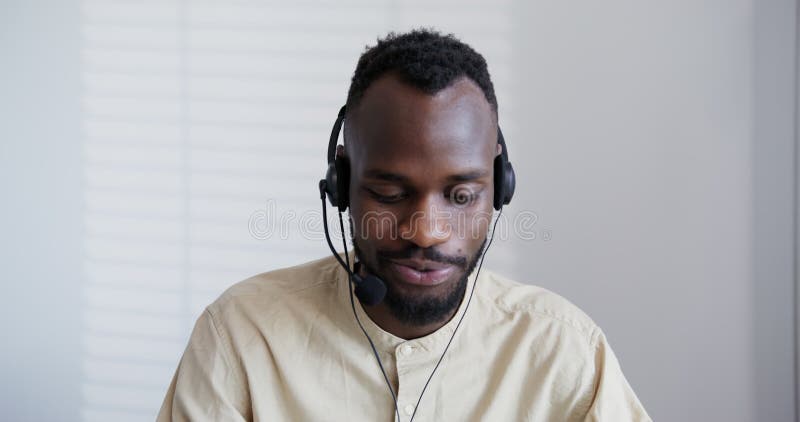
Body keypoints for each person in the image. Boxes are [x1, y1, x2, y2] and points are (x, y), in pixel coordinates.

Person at [157, 29, 651, 421]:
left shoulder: (565, 353)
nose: (426, 230)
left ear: (500, 187)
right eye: (391, 194)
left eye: (461, 196)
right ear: (342, 182)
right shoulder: (240, 339)